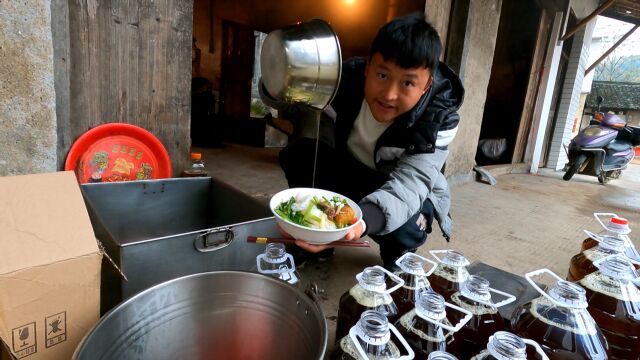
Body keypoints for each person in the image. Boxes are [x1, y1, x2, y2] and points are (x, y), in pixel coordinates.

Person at [261, 13, 464, 269]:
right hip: (350, 171)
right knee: (300, 153)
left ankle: (399, 255)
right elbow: (289, 96)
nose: (390, 94)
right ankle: (318, 243)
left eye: (408, 83)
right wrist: (276, 77)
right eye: (382, 75)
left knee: (405, 222)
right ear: (368, 67)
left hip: (400, 188)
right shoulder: (340, 82)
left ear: (426, 86)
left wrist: (360, 222)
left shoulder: (438, 120)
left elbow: (411, 185)